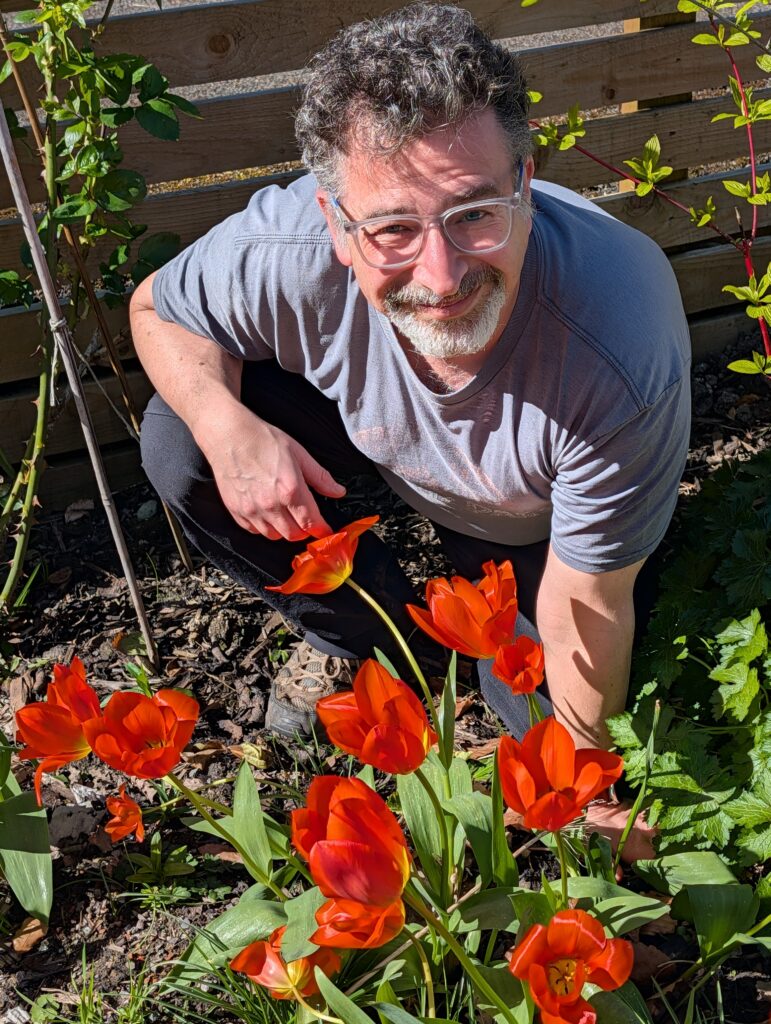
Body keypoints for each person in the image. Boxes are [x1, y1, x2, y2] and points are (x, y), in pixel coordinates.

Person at [131, 2, 690, 778]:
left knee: (538, 728)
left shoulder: (617, 340)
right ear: (334, 221)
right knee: (181, 439)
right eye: (392, 229)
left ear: (526, 184)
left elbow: (589, 601)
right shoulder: (286, 250)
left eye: (475, 213)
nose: (442, 276)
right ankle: (382, 642)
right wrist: (226, 426)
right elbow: (158, 309)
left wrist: (585, 789)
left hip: (530, 530)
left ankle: (472, 625)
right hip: (375, 444)